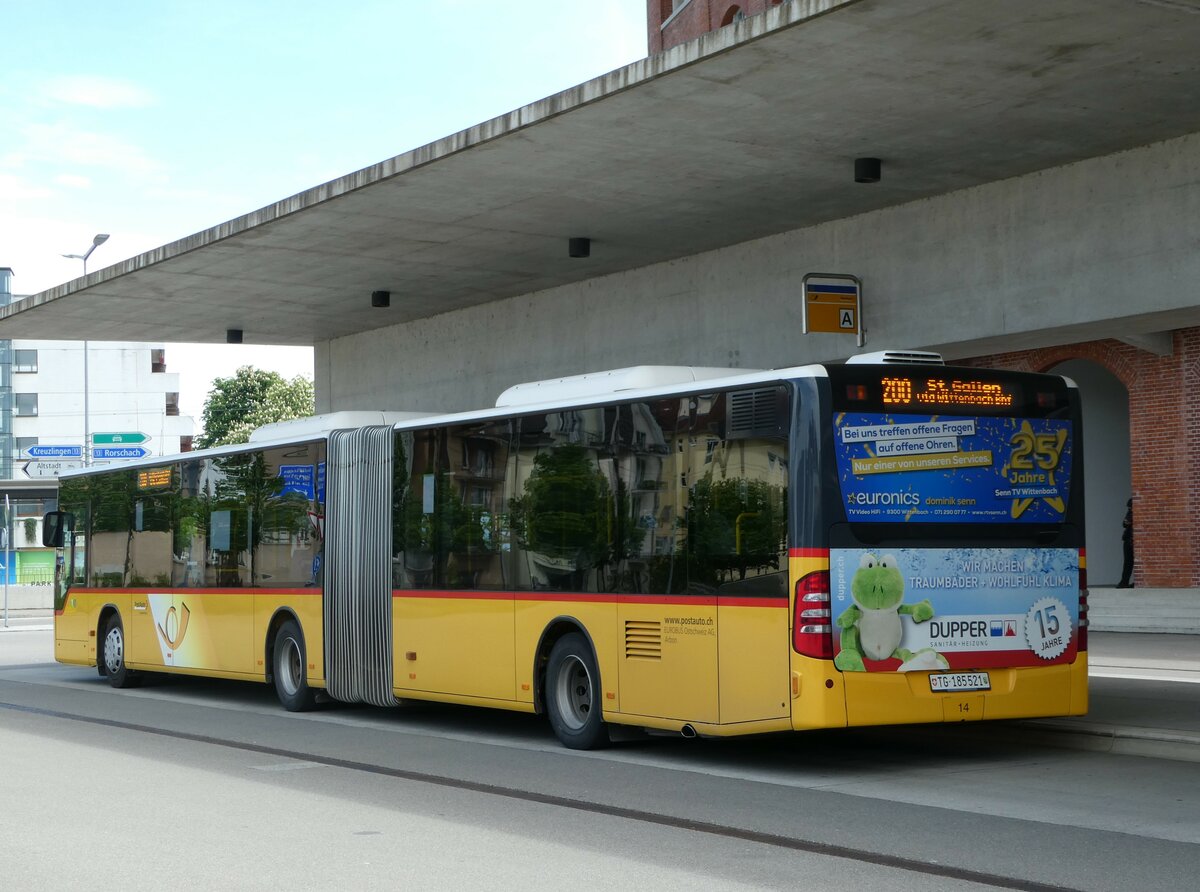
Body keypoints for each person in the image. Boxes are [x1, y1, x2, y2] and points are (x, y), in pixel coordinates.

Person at [1117, 497, 1134, 588]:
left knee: (1134, 562)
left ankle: (1135, 582)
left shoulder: (1138, 513)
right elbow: (1124, 524)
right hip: (1128, 539)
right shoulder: (1129, 513)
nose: (1129, 509)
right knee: (1127, 562)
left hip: (1134, 540)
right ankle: (1124, 581)